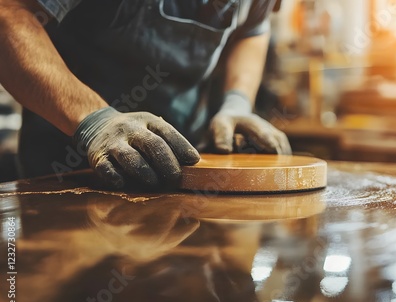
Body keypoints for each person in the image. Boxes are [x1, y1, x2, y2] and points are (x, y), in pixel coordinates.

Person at [0, 0, 291, 189]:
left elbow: (252, 28)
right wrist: (95, 122)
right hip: (67, 177)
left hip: (186, 177)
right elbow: (9, 16)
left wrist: (236, 101)